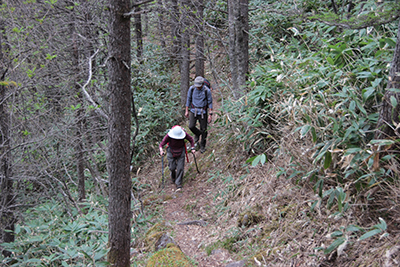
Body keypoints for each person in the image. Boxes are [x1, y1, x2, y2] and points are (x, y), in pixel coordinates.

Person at [159, 125, 195, 190]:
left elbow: (191, 139)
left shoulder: (184, 134)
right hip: (171, 151)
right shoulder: (169, 135)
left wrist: (192, 148)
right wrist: (161, 150)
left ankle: (178, 182)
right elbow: (162, 144)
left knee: (180, 167)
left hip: (181, 151)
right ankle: (173, 176)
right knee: (172, 167)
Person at [185, 76, 213, 153]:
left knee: (204, 129)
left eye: (199, 86)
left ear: (202, 84)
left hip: (203, 111)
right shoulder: (192, 89)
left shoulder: (207, 90)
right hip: (193, 110)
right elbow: (188, 99)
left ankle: (202, 146)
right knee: (191, 126)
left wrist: (210, 114)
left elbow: (210, 102)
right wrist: (187, 110)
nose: (197, 87)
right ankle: (198, 133)